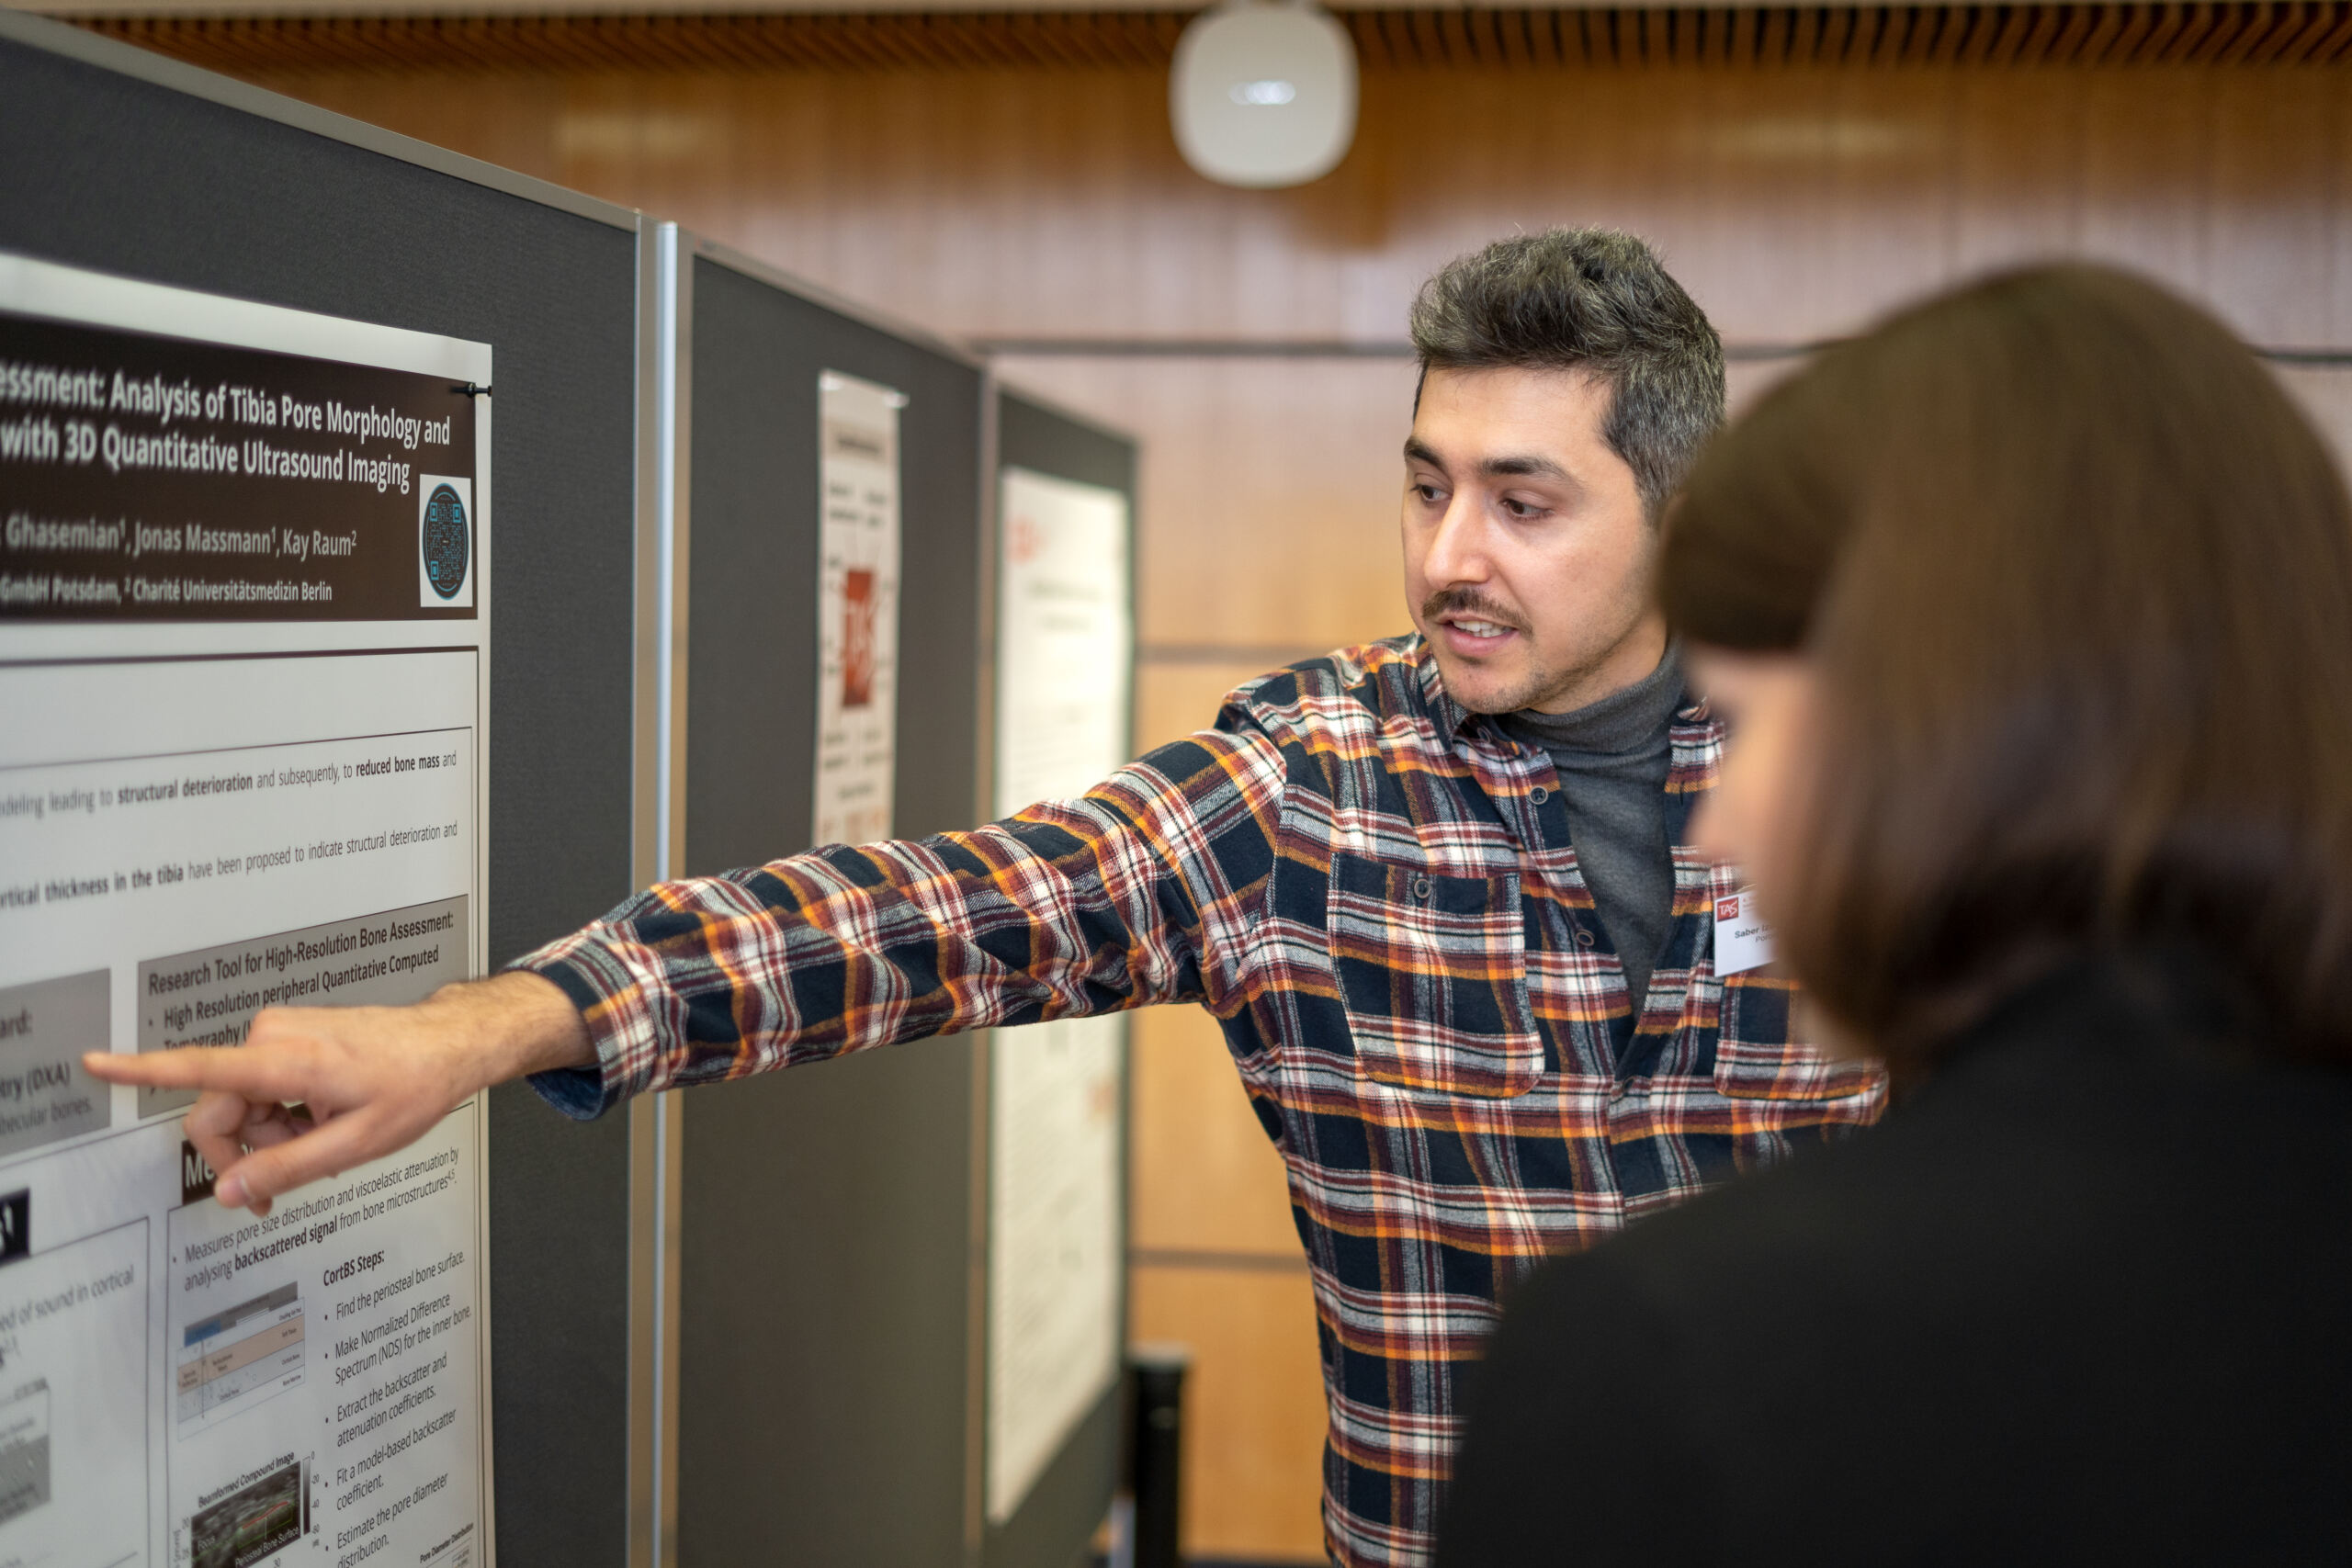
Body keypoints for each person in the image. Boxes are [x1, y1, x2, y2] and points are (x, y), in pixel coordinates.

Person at [86, 228, 1885, 1568]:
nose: (1440, 555)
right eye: (1422, 484)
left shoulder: (1879, 778)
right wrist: (484, 1024)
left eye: (1519, 500)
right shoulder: (1308, 791)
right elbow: (937, 912)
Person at [1436, 265, 2352, 1566]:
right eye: (1429, 489)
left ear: (1939, 736)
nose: (1720, 824)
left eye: (1747, 727)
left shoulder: (1667, 1351)